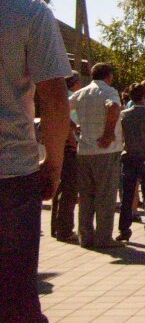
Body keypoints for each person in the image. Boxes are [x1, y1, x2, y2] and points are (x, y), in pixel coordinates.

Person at [0, 0, 72, 323]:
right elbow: (54, 99)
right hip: (12, 176)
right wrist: (54, 165)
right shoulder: (28, 10)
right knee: (16, 300)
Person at [70, 62, 124, 248]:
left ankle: (85, 236)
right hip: (106, 150)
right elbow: (114, 108)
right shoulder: (108, 91)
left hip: (84, 150)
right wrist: (109, 133)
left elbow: (62, 107)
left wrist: (73, 127)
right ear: (108, 76)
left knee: (86, 196)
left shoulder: (82, 92)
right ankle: (103, 237)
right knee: (106, 195)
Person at [116, 82, 145, 243]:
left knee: (128, 195)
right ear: (144, 97)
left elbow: (120, 135)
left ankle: (124, 229)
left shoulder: (124, 114)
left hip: (129, 155)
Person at [51, 71, 81, 242]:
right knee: (70, 189)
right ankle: (65, 230)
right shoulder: (69, 98)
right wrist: (73, 141)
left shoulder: (59, 97)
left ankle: (56, 228)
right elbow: (66, 121)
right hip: (68, 147)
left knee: (60, 188)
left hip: (59, 145)